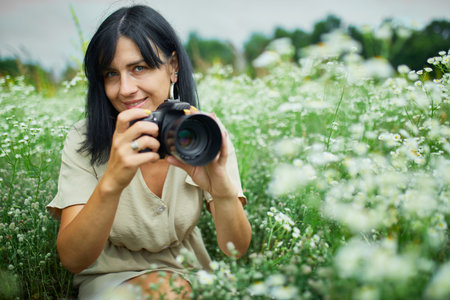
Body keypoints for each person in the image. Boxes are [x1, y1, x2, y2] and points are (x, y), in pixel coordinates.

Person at [47, 4, 251, 299]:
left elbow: (236, 249)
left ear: (173, 66)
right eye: (111, 74)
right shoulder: (84, 138)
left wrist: (220, 187)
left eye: (139, 68)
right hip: (109, 279)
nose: (125, 89)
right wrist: (112, 183)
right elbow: (73, 259)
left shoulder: (201, 131)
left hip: (189, 275)